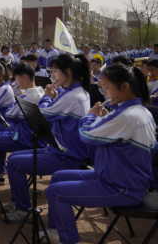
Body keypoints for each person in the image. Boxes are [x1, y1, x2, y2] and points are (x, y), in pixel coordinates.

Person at [45, 64, 156, 244]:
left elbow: (86, 135)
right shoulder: (140, 111)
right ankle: (55, 228)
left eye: (107, 88)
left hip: (122, 187)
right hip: (115, 176)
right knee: (58, 176)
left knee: (56, 192)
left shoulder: (129, 115)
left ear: (125, 87)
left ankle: (68, 239)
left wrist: (90, 116)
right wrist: (103, 120)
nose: (104, 93)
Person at [5, 54, 91, 222]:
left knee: (14, 163)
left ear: (68, 72)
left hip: (67, 155)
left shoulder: (74, 96)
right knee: (14, 158)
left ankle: (23, 208)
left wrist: (46, 97)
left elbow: (43, 114)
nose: (52, 75)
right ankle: (19, 202)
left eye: (55, 71)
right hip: (58, 148)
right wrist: (52, 96)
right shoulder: (71, 92)